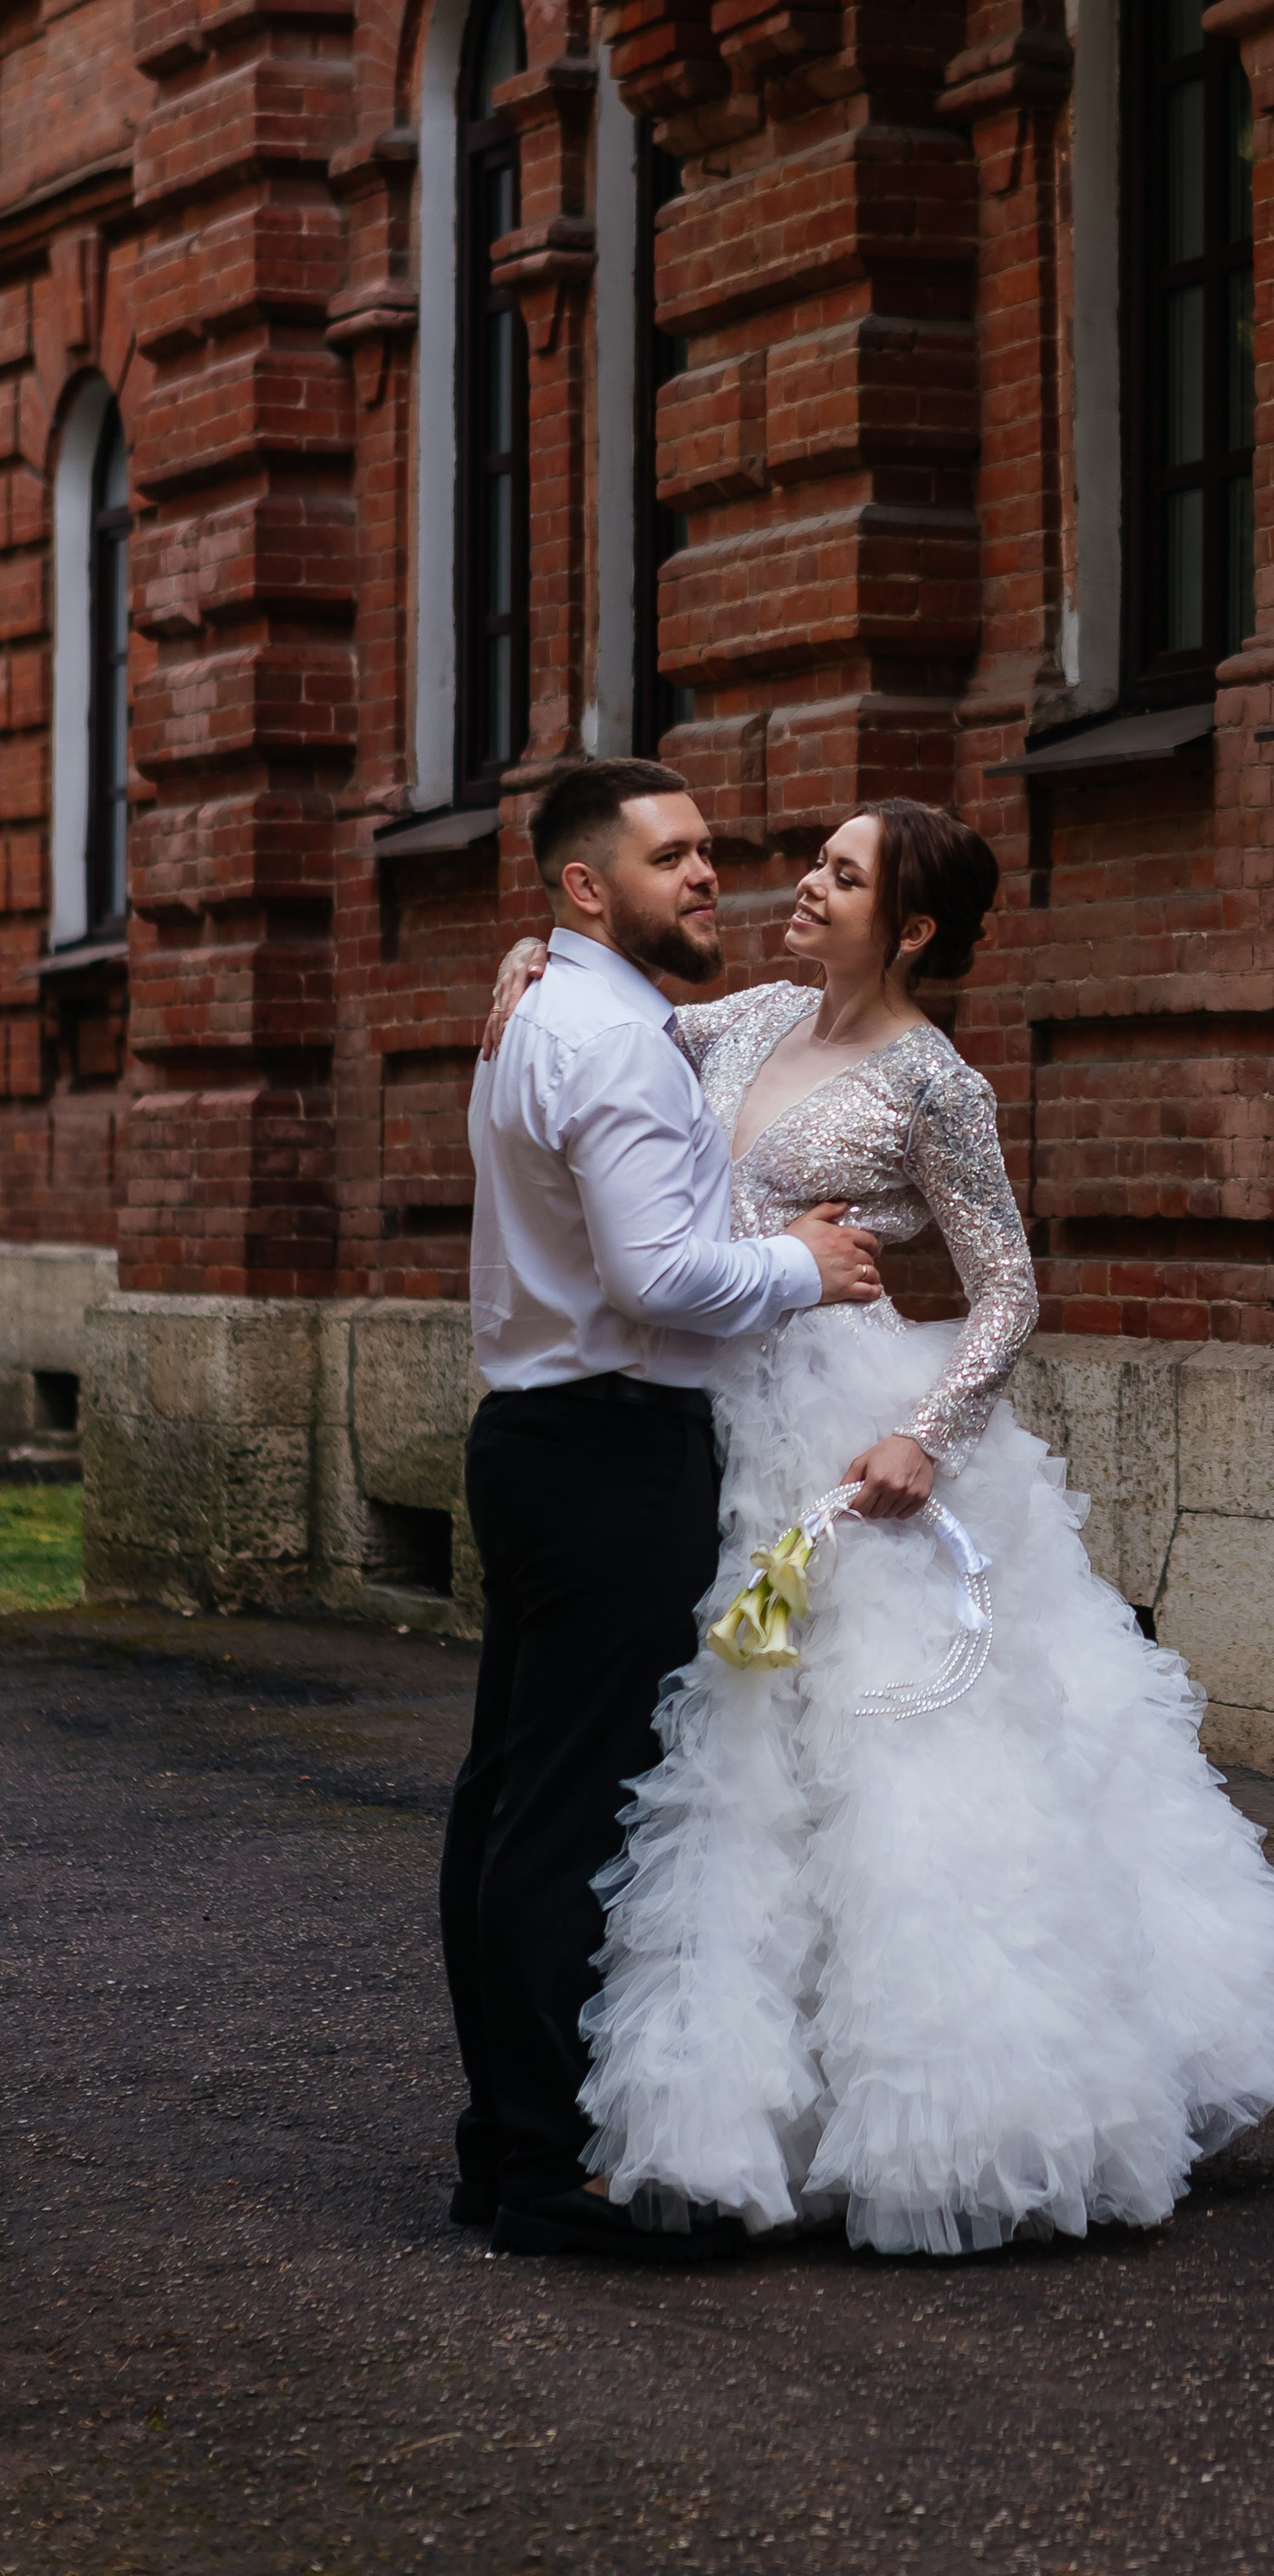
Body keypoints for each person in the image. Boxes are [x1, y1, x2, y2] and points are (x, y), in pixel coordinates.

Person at [480, 793, 1274, 2255]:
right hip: (698, 1411)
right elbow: (596, 1034)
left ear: (911, 927)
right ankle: (695, 2109)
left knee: (871, 1765)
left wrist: (926, 1436)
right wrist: (526, 956)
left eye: (843, 874)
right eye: (816, 861)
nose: (802, 885)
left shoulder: (937, 1086)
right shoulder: (736, 1018)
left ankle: (932, 2105)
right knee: (715, 1762)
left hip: (841, 1428)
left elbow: (1008, 1288)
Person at [446, 757, 885, 2265]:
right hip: (610, 1449)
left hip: (541, 1438)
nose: (710, 874)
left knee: (509, 1798)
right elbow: (662, 1277)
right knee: (564, 1813)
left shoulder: (554, 1012)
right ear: (587, 890)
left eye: (708, 852)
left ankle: (500, 2143)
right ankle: (551, 2169)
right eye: (671, 857)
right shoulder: (612, 1043)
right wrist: (808, 1271)